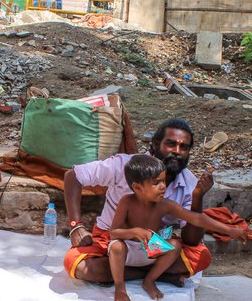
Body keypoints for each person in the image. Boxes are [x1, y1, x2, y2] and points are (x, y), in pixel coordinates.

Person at [64, 118, 213, 283]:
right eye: (171, 144)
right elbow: (73, 176)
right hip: (111, 240)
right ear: (155, 144)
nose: (177, 151)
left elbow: (191, 240)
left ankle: (121, 273)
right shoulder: (124, 165)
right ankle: (159, 274)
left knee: (202, 257)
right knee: (78, 266)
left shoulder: (189, 183)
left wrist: (197, 198)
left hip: (155, 244)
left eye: (184, 147)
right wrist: (75, 225)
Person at [109, 155, 247, 301]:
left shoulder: (165, 204)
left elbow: (197, 219)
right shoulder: (126, 202)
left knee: (175, 245)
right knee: (116, 246)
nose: (163, 186)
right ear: (137, 188)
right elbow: (113, 233)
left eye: (163, 181)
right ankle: (120, 287)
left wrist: (230, 230)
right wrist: (135, 232)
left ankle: (149, 280)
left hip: (150, 250)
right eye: (156, 183)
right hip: (128, 251)